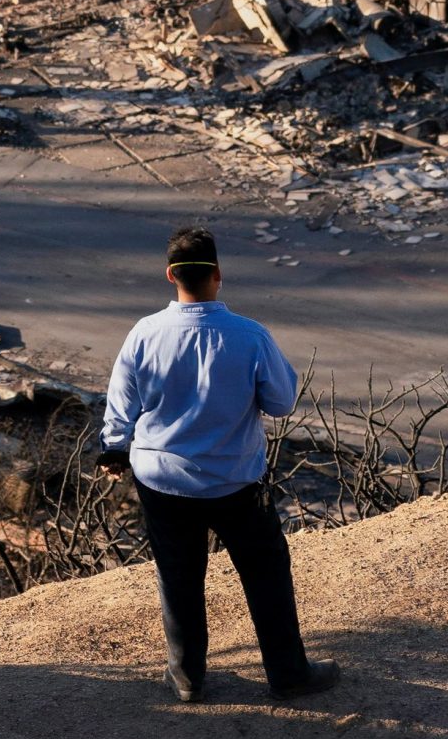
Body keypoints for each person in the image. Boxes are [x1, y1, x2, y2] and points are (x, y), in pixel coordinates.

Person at [98, 226, 338, 705]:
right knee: (265, 574)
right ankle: (289, 674)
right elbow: (282, 402)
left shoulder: (144, 334)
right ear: (218, 276)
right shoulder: (250, 335)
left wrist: (113, 448)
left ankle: (187, 677)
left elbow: (121, 404)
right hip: (235, 480)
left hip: (162, 480)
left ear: (171, 275)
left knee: (179, 575)